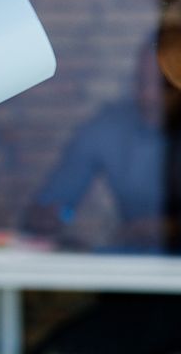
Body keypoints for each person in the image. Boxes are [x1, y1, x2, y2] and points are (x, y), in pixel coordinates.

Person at [22, 30, 181, 354]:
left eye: (163, 85)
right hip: (132, 296)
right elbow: (49, 207)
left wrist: (170, 230)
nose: (149, 96)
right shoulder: (109, 128)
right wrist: (55, 218)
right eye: (141, 82)